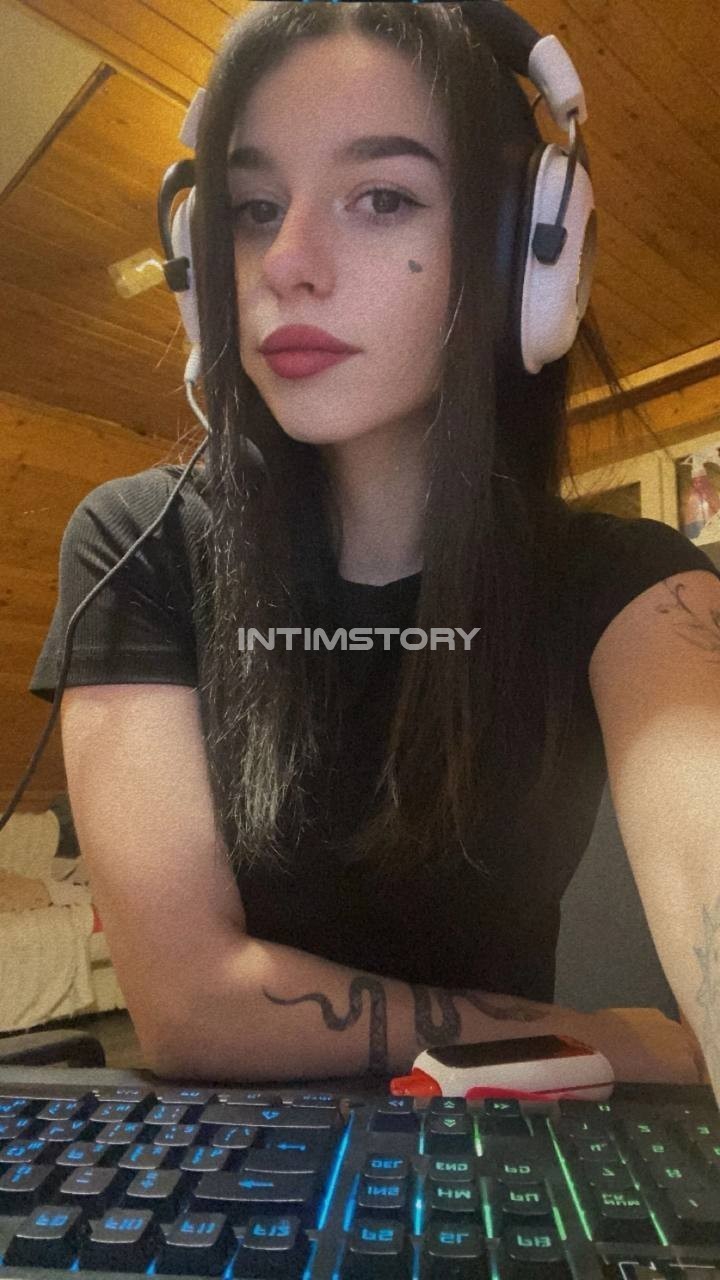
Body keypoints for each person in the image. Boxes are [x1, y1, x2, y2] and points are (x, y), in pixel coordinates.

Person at [29, 2, 719, 1096]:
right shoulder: (135, 545)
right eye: (254, 209)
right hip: (221, 1179)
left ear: (526, 252)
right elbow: (190, 1007)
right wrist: (601, 1035)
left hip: (498, 1163)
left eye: (383, 197)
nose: (285, 263)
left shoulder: (635, 589)